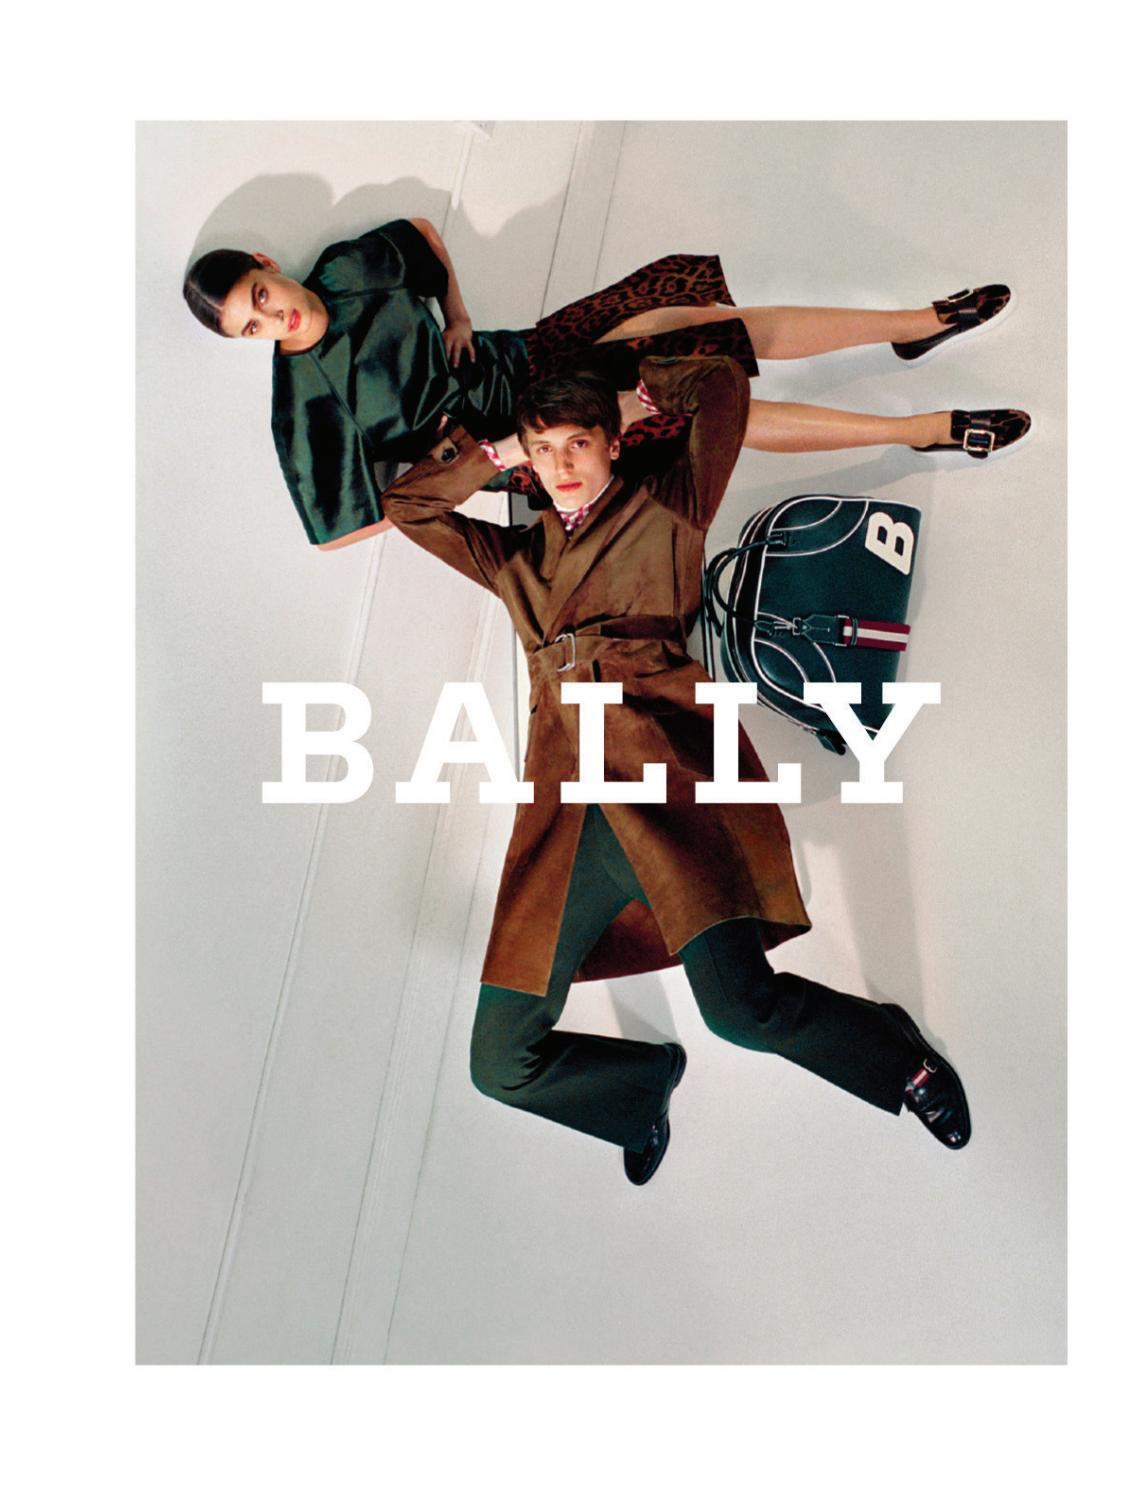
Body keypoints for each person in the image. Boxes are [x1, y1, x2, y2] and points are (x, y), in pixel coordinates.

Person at [380, 356, 971, 1186]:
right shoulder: (514, 559)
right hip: (564, 825)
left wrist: (640, 394)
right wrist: (499, 450)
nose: (561, 464)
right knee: (498, 1063)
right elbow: (407, 505)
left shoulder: (668, 506)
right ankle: (638, 1090)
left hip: (664, 794)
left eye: (577, 442)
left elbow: (723, 387)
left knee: (741, 1012)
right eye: (544, 449)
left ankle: (899, 1059)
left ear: (612, 443)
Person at [183, 217, 1030, 549]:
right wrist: (466, 467)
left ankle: (915, 323)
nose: (272, 319)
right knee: (714, 407)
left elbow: (422, 238)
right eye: (251, 329)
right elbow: (344, 531)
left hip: (526, 353)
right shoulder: (303, 406)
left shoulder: (344, 268)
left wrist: (458, 314)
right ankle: (925, 429)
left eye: (260, 296)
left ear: (266, 262)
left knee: (691, 321)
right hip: (536, 440)